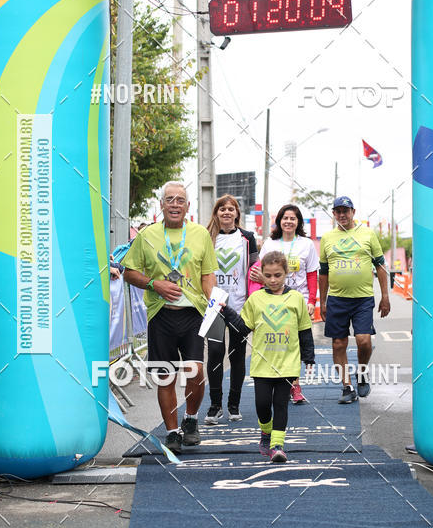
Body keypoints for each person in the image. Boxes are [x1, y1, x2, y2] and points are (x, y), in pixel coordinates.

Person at [122, 181, 217, 454]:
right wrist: (155, 284)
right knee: (165, 376)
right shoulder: (146, 236)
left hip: (193, 313)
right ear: (161, 205)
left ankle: (191, 418)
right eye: (170, 199)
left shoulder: (200, 234)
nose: (175, 204)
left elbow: (207, 274)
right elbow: (129, 272)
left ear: (188, 206)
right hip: (160, 314)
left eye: (180, 200)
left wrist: (213, 300)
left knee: (196, 370)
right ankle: (173, 432)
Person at [222, 251, 314, 462]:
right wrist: (227, 313)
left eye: (278, 275)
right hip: (262, 364)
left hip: (287, 364)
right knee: (262, 404)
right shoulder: (255, 299)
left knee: (280, 404)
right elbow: (243, 328)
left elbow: (304, 330)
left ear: (286, 274)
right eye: (269, 275)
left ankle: (277, 446)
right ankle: (266, 431)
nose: (273, 280)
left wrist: (309, 356)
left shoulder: (296, 298)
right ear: (262, 274)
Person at [319, 196, 390, 404]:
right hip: (337, 299)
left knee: (364, 341)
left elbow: (380, 266)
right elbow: (323, 272)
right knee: (338, 344)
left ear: (353, 212)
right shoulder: (327, 238)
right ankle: (347, 387)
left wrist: (385, 296)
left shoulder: (367, 234)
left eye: (346, 211)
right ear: (333, 214)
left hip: (363, 299)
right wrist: (321, 301)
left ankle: (361, 372)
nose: (342, 214)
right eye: (338, 211)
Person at [250, 204, 318, 404]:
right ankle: (277, 382)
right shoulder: (270, 244)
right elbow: (258, 272)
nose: (289, 221)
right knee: (281, 341)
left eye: (293, 218)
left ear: (298, 222)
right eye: (285, 218)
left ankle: (295, 386)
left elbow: (312, 274)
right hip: (273, 299)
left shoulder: (306, 244)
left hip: (299, 299)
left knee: (295, 342)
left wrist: (312, 300)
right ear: (279, 221)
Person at [204, 195, 258, 424]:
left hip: (240, 306)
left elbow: (255, 269)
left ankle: (233, 405)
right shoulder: (207, 237)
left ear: (237, 213)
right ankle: (215, 406)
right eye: (222, 209)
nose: (226, 212)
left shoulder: (248, 238)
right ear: (216, 213)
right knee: (215, 354)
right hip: (215, 304)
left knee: (236, 356)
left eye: (231, 209)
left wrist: (254, 298)